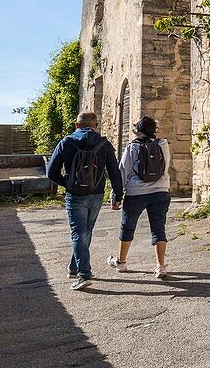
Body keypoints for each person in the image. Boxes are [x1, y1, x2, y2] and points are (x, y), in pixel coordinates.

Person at [46, 112, 123, 291]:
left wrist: (67, 183)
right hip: (96, 194)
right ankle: (75, 268)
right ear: (96, 125)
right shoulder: (104, 144)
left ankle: (83, 274)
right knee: (86, 231)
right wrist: (118, 195)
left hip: (75, 195)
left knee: (79, 232)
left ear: (76, 125)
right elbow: (114, 171)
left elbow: (51, 172)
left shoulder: (66, 142)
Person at [108, 116, 173, 279]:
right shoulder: (163, 144)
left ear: (139, 130)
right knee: (158, 228)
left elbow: (123, 171)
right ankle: (160, 266)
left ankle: (121, 262)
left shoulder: (132, 147)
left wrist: (116, 195)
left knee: (128, 227)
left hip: (136, 193)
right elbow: (166, 165)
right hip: (161, 191)